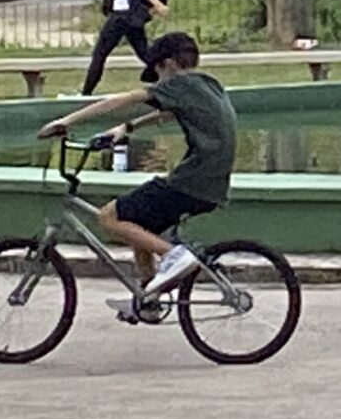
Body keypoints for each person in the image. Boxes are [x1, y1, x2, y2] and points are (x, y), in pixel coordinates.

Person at [34, 30, 233, 314]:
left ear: (169, 64)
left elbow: (125, 99)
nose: (158, 80)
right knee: (138, 225)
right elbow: (169, 112)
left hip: (193, 182)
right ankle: (149, 298)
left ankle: (175, 257)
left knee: (109, 216)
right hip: (209, 183)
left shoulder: (179, 83)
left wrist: (65, 121)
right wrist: (127, 128)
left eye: (157, 73)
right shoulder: (206, 85)